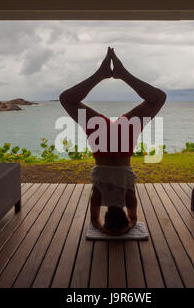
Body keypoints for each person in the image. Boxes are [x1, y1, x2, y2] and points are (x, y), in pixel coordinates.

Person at [59, 47, 166, 236]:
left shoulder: (129, 197)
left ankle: (120, 74)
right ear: (106, 214)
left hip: (123, 141)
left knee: (158, 99)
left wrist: (125, 229)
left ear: (124, 213)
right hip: (102, 142)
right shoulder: (99, 196)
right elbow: (94, 221)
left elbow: (133, 220)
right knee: (67, 100)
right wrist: (105, 230)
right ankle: (104, 74)